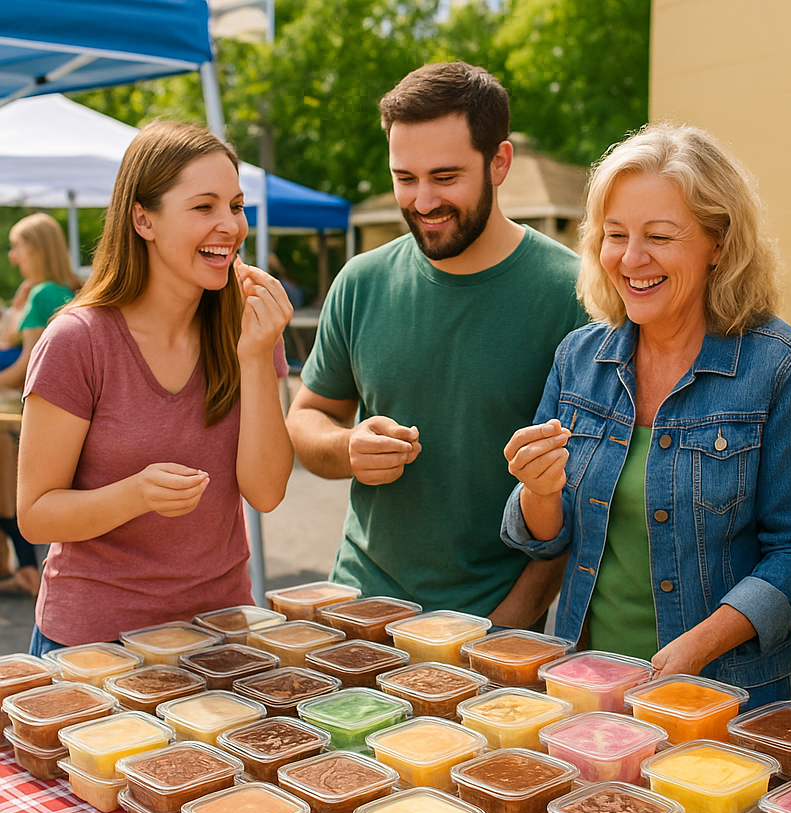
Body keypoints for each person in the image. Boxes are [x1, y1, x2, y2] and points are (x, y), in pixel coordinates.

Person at [501, 123, 791, 704]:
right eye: (615, 235)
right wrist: (537, 491)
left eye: (659, 236)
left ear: (720, 244)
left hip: (730, 697)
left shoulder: (782, 369)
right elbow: (544, 541)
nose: (631, 259)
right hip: (590, 688)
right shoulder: (580, 359)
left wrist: (697, 647)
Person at [286, 62, 587, 625]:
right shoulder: (359, 281)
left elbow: (589, 493)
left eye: (445, 177)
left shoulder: (572, 294)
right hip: (355, 609)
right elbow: (306, 418)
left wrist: (507, 625)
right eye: (405, 177)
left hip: (489, 626)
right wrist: (347, 446)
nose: (422, 201)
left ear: (499, 163)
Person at [18, 120, 294, 656]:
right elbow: (34, 515)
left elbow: (266, 491)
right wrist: (135, 495)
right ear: (143, 219)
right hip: (95, 647)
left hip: (218, 637)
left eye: (235, 207)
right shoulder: (78, 340)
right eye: (204, 207)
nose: (230, 226)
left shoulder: (249, 327)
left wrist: (258, 357)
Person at [0, 213, 79, 596]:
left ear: (37, 248)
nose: (13, 256)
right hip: (25, 409)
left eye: (18, 246)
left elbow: (27, 365)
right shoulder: (55, 288)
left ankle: (26, 568)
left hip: (17, 410)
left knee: (9, 492)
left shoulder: (44, 291)